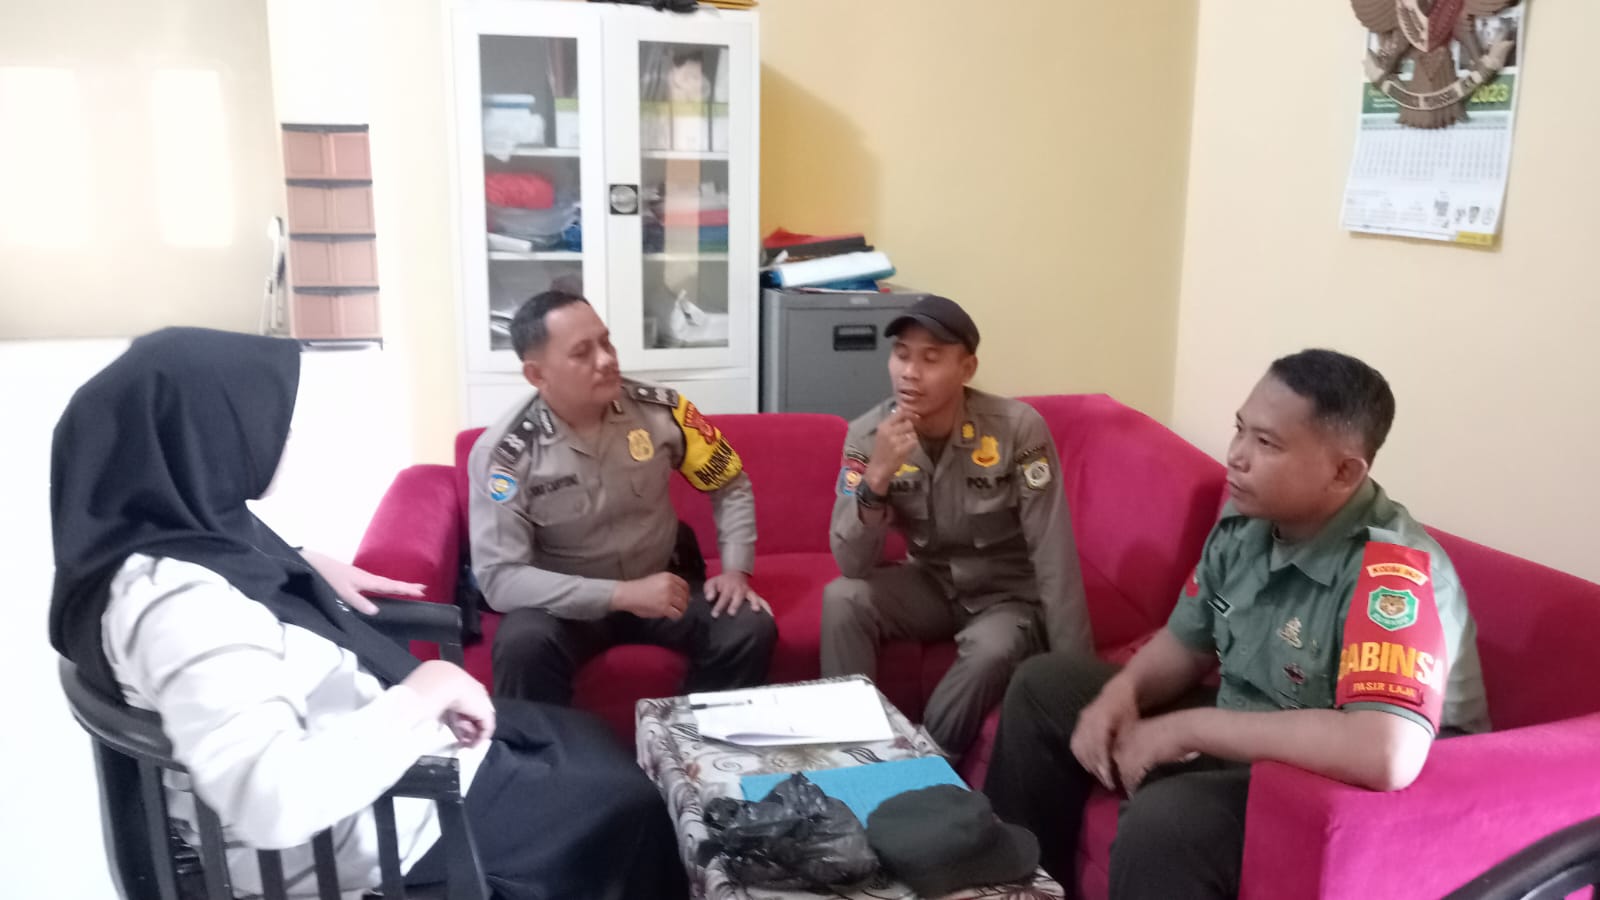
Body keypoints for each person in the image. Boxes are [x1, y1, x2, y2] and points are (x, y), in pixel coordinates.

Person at [47, 327, 687, 900]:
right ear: (206, 435)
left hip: (377, 761)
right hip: (381, 821)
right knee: (629, 803)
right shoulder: (184, 609)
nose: (284, 435)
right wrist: (425, 692)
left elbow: (232, 581)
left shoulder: (166, 541)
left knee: (595, 740)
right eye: (267, 418)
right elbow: (273, 803)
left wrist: (298, 564)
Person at [982, 349, 1491, 898]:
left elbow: (1384, 754)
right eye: (1240, 429)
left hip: (1348, 793)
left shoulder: (1394, 574)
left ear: (1344, 472)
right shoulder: (1248, 522)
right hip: (1257, 732)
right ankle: (1020, 887)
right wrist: (1123, 693)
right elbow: (1187, 644)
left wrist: (1187, 729)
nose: (1236, 456)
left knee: (1168, 824)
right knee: (1044, 687)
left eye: (1266, 443)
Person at [470, 290, 776, 705]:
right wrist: (621, 595)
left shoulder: (662, 412)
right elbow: (500, 578)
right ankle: (548, 748)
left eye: (606, 342)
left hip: (663, 584)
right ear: (537, 375)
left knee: (747, 626)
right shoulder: (506, 455)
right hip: (565, 605)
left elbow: (729, 482)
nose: (606, 359)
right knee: (523, 644)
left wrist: (736, 570)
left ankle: (689, 737)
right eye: (582, 353)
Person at [821, 294, 1091, 756]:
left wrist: (1077, 682)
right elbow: (851, 563)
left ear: (967, 369)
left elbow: (1053, 551)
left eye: (930, 359)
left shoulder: (1016, 429)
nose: (910, 372)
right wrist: (877, 477)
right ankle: (852, 752)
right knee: (842, 598)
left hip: (1006, 595)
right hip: (930, 584)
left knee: (992, 650)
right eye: (902, 355)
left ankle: (928, 755)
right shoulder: (868, 435)